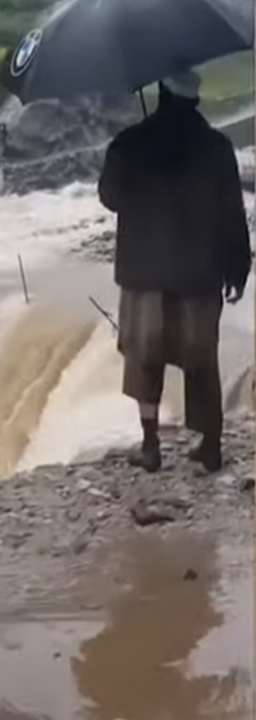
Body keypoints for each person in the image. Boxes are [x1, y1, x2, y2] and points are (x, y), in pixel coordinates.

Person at [98, 70, 251, 473]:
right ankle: (210, 446)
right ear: (195, 102)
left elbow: (109, 197)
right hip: (199, 274)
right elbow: (232, 213)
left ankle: (150, 447)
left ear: (162, 95)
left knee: (144, 360)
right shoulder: (217, 148)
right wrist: (239, 267)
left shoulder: (129, 144)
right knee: (201, 360)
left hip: (144, 273)